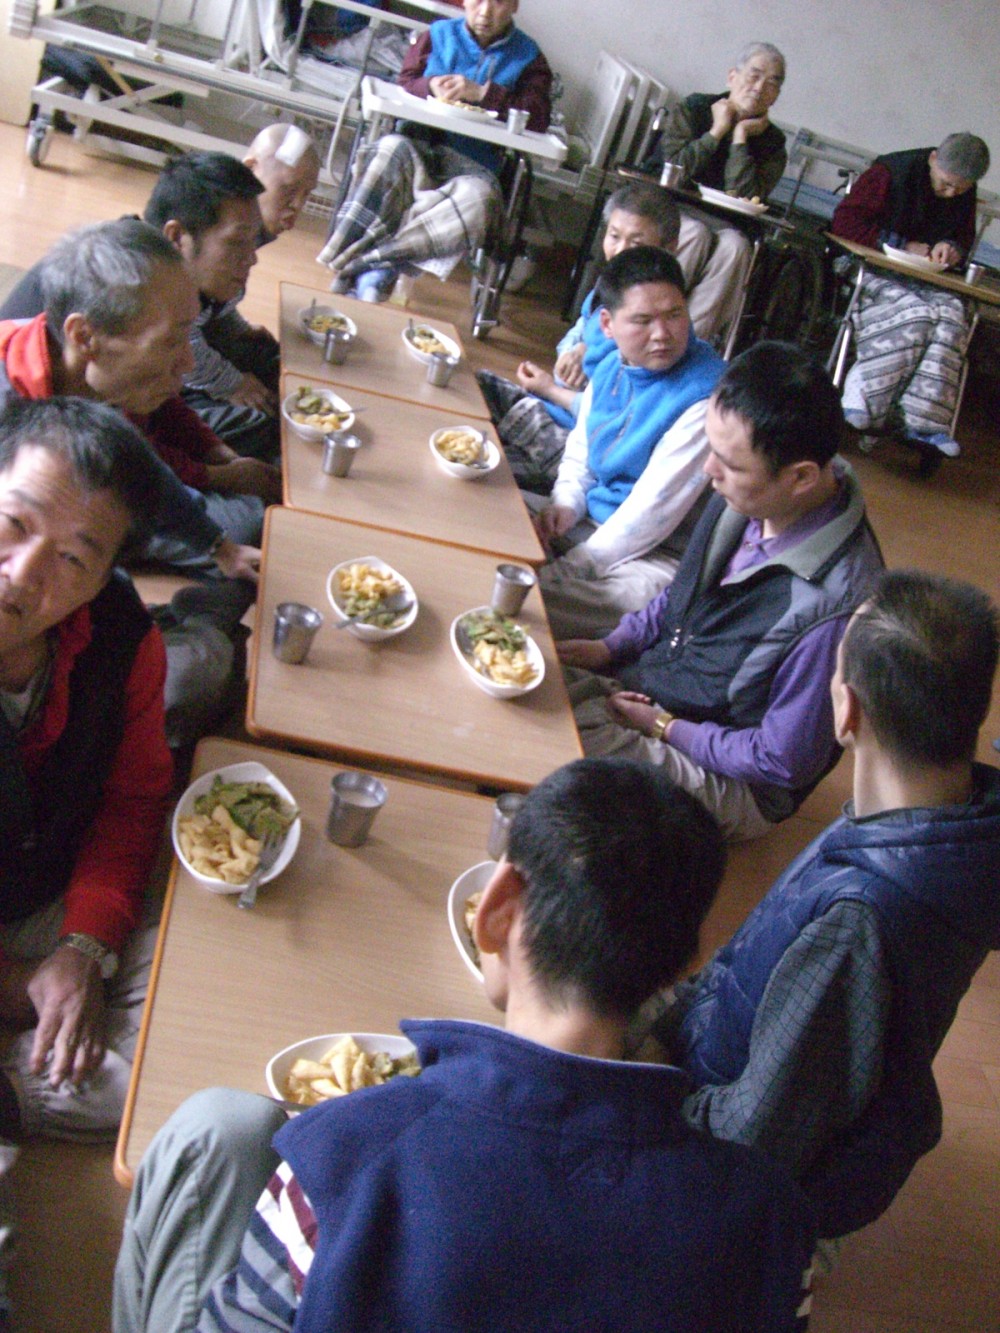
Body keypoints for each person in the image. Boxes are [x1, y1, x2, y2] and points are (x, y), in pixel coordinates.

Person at [113, 759, 817, 1333]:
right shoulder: (771, 1223)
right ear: (681, 965)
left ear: (497, 908)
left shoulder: (344, 1159)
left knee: (218, 1125)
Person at [653, 570, 1000, 1248]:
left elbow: (752, 1140)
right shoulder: (941, 828)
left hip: (720, 1155)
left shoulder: (859, 920)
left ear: (847, 713)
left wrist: (645, 1099)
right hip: (737, 1052)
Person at [559, 341, 884, 842]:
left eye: (730, 463)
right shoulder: (752, 496)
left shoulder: (833, 609)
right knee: (543, 675)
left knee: (565, 741)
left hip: (737, 780)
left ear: (800, 477)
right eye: (711, 448)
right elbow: (682, 593)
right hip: (661, 690)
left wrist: (665, 727)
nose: (709, 469)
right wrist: (610, 646)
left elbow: (781, 761)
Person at [0, 220, 270, 750]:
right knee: (190, 678)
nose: (188, 363)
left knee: (246, 539)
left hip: (70, 589)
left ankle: (189, 621)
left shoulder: (89, 377)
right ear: (84, 336)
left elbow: (139, 466)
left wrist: (219, 547)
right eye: (171, 341)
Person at [0, 396, 174, 1145]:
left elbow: (132, 802)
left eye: (73, 558)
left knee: (188, 992)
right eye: (15, 523)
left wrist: (83, 946)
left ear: (105, 578)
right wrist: (22, 985)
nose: (23, 573)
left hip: (38, 881)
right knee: (125, 1081)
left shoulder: (122, 639)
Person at [528, 245, 724, 640]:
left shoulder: (706, 397)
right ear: (607, 324)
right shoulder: (609, 365)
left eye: (675, 315)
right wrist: (566, 503)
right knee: (490, 517)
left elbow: (652, 512)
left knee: (533, 604)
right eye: (642, 320)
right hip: (590, 522)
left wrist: (565, 570)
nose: (662, 334)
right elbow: (581, 452)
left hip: (655, 553)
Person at [317, 0, 552, 303]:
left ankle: (365, 268)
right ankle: (367, 267)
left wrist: (484, 93)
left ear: (515, 5)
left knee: (481, 202)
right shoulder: (437, 34)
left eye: (498, 2)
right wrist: (430, 86)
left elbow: (538, 117)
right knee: (387, 150)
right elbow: (406, 80)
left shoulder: (529, 57)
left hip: (474, 166)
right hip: (416, 146)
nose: (485, 11)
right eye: (478, 0)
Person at [477, 182, 682, 492]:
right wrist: (574, 349)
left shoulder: (649, 333)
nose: (620, 250)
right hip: (549, 410)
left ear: (668, 248)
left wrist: (548, 388)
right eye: (614, 236)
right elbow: (579, 331)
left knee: (488, 462)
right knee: (479, 387)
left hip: (576, 443)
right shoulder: (607, 289)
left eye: (636, 242)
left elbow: (608, 419)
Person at [830, 132, 991, 459]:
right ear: (933, 159)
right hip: (869, 265)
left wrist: (951, 249)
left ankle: (925, 422)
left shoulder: (963, 191)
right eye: (946, 184)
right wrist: (902, 245)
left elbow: (961, 239)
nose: (951, 194)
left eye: (960, 190)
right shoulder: (889, 173)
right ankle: (863, 398)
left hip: (921, 278)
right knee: (916, 314)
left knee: (952, 316)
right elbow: (845, 223)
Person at [647, 42, 787, 342]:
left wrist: (740, 138)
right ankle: (649, 321)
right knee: (695, 234)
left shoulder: (773, 142)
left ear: (776, 95)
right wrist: (717, 131)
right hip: (674, 207)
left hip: (728, 223)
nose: (759, 88)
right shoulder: (695, 108)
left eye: (771, 83)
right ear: (732, 77)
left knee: (736, 248)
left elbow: (746, 195)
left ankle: (686, 343)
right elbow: (674, 168)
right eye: (754, 76)